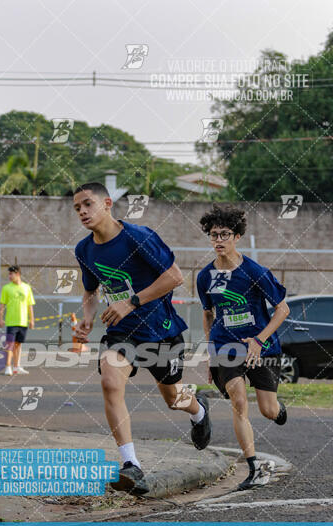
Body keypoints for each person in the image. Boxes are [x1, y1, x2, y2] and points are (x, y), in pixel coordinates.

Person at [73, 182, 212, 495]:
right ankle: (130, 465)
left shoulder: (139, 237)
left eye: (87, 204)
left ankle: (199, 409)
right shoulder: (85, 250)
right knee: (110, 382)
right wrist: (88, 317)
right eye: (77, 208)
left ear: (107, 203)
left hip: (162, 331)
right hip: (122, 333)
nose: (82, 211)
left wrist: (131, 301)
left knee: (174, 398)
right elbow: (91, 289)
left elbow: (174, 276)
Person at [196, 204, 290, 490]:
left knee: (267, 410)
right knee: (238, 401)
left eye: (225, 234)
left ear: (237, 236)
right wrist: (212, 356)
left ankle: (278, 409)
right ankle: (253, 468)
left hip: (262, 347)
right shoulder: (204, 277)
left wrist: (259, 340)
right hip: (227, 346)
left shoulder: (255, 272)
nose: (219, 240)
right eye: (214, 235)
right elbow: (208, 314)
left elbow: (282, 309)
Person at [0, 265, 35, 376]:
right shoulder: (6, 288)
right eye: (9, 274)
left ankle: (17, 367)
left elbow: (30, 305)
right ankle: (8, 367)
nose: (9, 276)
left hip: (23, 321)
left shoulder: (27, 287)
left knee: (18, 345)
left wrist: (31, 320)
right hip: (11, 321)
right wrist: (0, 318)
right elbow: (2, 304)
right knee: (10, 344)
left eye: (11, 274)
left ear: (18, 274)